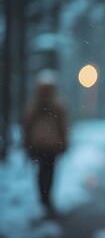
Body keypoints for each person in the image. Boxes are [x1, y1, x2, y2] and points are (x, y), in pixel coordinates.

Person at [22, 69, 69, 217]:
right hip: (49, 145)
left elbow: (27, 126)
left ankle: (44, 199)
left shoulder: (35, 105)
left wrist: (27, 143)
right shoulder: (55, 104)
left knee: (43, 172)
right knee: (48, 172)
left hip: (42, 144)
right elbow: (62, 126)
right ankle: (46, 199)